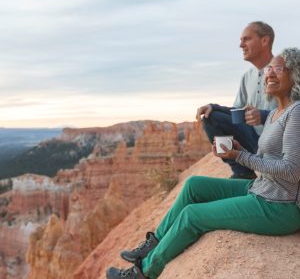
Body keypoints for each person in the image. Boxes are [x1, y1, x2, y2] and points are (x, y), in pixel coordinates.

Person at [106, 47, 300, 279]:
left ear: (295, 74)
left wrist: (241, 157)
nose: (270, 74)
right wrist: (239, 151)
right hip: (262, 189)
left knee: (192, 216)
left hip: (280, 206)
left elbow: (292, 170)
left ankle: (143, 272)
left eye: (278, 69)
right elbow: (267, 160)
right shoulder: (275, 113)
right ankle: (154, 243)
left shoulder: (296, 113)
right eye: (270, 69)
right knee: (194, 185)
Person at [196, 21, 277, 179]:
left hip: (279, 145)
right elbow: (237, 114)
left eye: (246, 39)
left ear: (264, 41)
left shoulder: (286, 72)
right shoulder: (247, 77)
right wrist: (214, 107)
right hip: (254, 142)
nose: (241, 45)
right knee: (211, 118)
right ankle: (243, 174)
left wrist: (264, 115)